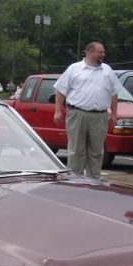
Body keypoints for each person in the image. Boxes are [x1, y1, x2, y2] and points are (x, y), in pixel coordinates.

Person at [53, 40, 120, 177]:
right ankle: (74, 180)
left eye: (103, 52)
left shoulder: (107, 70)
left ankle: (94, 181)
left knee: (96, 151)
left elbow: (114, 93)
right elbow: (60, 90)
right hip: (77, 114)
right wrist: (58, 111)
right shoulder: (74, 69)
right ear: (89, 52)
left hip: (99, 116)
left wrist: (114, 114)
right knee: (76, 150)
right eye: (100, 52)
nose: (103, 55)